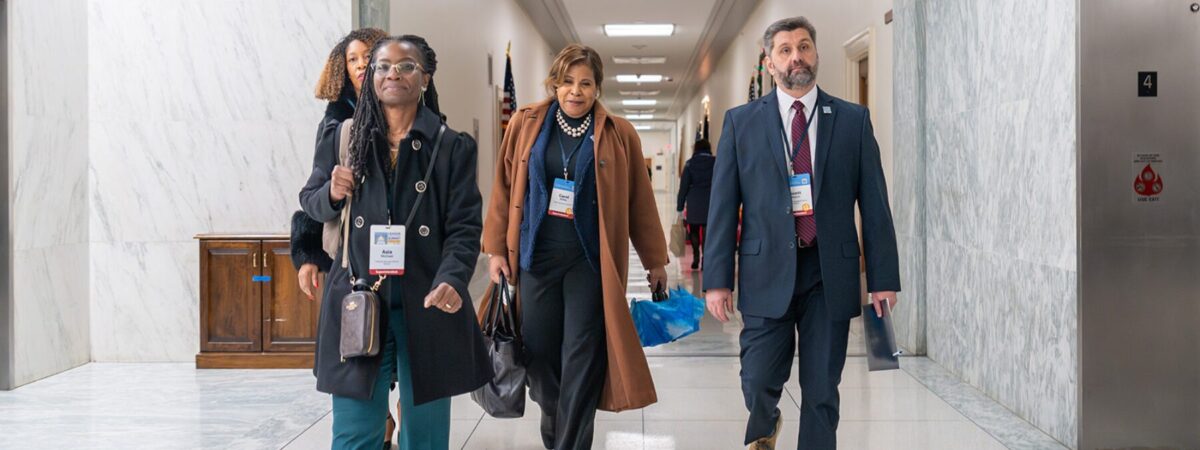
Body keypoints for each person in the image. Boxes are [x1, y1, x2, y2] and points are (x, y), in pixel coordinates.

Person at [703, 17, 900, 450]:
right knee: (758, 381)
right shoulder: (741, 123)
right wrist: (717, 280)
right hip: (765, 270)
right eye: (786, 50)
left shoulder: (852, 120)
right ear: (769, 63)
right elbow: (722, 208)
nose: (797, 57)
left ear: (816, 53)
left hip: (828, 273)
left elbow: (875, 204)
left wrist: (883, 279)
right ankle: (767, 421)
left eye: (804, 46)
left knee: (822, 389)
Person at [299, 35, 492, 450]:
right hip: (359, 297)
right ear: (371, 76)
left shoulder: (451, 146)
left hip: (428, 300)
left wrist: (452, 278)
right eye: (383, 66)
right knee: (354, 434)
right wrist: (331, 192)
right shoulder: (344, 137)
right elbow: (310, 202)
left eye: (406, 66)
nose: (393, 74)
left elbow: (464, 227)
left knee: (426, 436)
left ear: (425, 77)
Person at [481, 43, 669, 450]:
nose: (576, 91)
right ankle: (556, 421)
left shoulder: (618, 133)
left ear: (598, 87)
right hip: (535, 259)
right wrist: (496, 249)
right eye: (567, 82)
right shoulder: (526, 123)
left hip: (590, 263)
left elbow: (639, 200)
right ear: (554, 83)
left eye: (585, 83)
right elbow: (504, 187)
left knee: (582, 358)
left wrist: (654, 260)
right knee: (540, 355)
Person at [675, 139, 715, 270]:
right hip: (710, 202)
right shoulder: (715, 162)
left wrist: (680, 207)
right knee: (708, 233)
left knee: (694, 231)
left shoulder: (689, 164)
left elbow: (684, 187)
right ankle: (705, 260)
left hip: (694, 203)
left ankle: (696, 257)